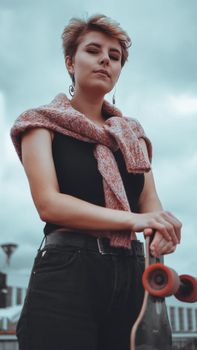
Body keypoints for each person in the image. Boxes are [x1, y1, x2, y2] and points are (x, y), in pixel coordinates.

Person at [11, 14, 182, 350]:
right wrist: (136, 220)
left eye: (115, 56)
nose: (106, 59)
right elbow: (49, 204)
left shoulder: (134, 137)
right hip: (66, 274)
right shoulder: (39, 124)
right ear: (70, 62)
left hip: (132, 272)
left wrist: (162, 230)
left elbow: (150, 204)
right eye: (94, 50)